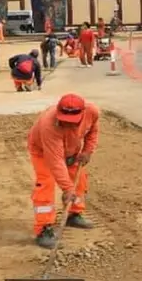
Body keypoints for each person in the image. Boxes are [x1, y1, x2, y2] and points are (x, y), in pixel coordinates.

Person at [28, 93, 99, 248]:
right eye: (64, 120)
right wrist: (67, 189)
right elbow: (55, 161)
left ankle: (74, 214)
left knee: (78, 181)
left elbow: (93, 131)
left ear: (83, 113)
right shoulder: (49, 124)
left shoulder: (92, 112)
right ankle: (43, 229)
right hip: (43, 152)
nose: (68, 123)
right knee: (46, 184)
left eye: (72, 121)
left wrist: (87, 150)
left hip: (72, 148)